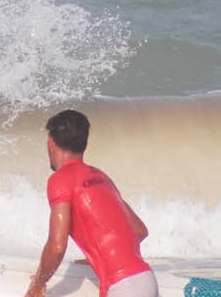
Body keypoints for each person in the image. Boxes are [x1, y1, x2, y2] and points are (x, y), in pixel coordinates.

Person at [25, 109, 158, 297]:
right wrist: (98, 256)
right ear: (84, 145)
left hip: (124, 287)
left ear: (50, 142)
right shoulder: (101, 177)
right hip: (145, 278)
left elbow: (57, 247)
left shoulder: (60, 180)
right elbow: (139, 231)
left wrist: (38, 284)